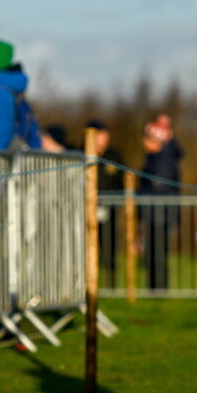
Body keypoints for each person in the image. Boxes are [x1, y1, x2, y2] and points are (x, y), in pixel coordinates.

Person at [139, 113, 182, 290]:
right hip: (156, 211)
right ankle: (156, 287)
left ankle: (158, 288)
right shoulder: (155, 158)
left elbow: (158, 186)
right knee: (154, 251)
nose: (144, 142)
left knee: (156, 251)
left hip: (159, 211)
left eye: (148, 138)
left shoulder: (162, 160)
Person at [87, 119, 125, 288]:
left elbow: (121, 182)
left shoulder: (114, 156)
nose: (104, 139)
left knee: (109, 245)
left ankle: (110, 284)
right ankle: (87, 282)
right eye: (101, 135)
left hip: (108, 209)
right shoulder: (82, 154)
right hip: (86, 208)